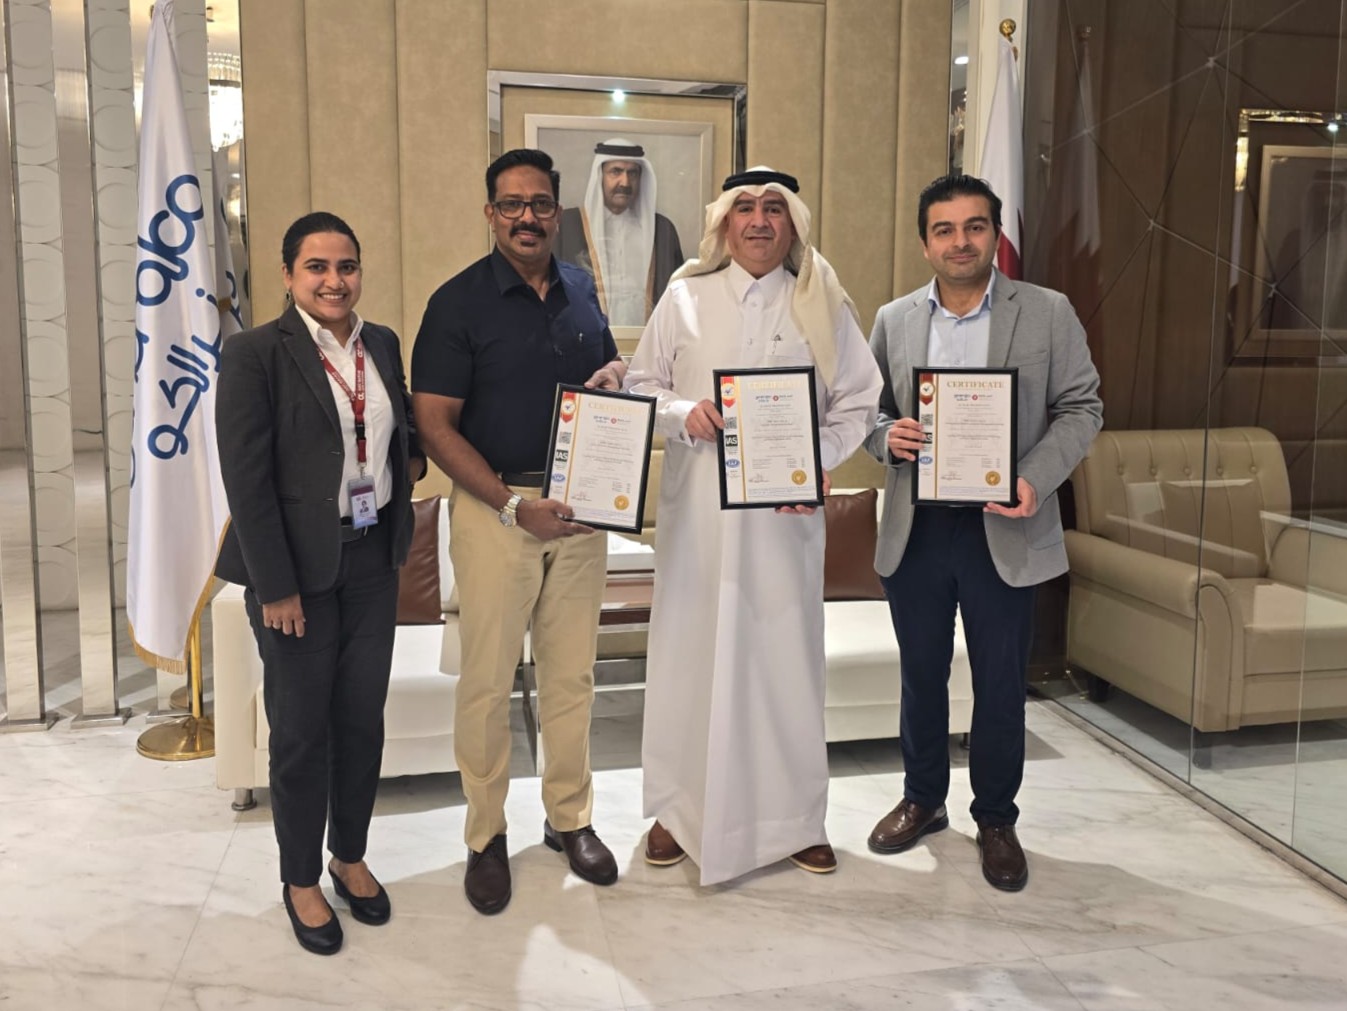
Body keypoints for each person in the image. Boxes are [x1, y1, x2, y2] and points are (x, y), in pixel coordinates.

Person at [627, 167, 882, 885]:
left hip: (783, 525)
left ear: (793, 223)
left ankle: (794, 821)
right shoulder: (684, 297)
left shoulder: (822, 301)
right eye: (745, 208)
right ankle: (676, 811)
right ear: (724, 223)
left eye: (774, 208)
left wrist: (815, 458)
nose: (760, 221)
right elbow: (642, 387)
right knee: (688, 658)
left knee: (783, 668)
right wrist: (685, 413)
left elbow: (858, 401)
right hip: (698, 527)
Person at [864, 175, 1103, 891]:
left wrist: (1033, 477)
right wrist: (886, 437)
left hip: (1006, 525)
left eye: (974, 226)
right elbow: (866, 412)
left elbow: (1082, 407)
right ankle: (923, 798)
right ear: (925, 242)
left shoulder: (1047, 312)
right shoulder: (894, 319)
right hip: (917, 527)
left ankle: (996, 817)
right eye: (944, 229)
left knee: (1000, 682)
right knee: (921, 674)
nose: (960, 241)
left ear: (994, 235)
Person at [411, 149, 628, 915]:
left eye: (539, 203)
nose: (526, 217)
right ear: (490, 213)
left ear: (557, 211)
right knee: (487, 681)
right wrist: (510, 505)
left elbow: (606, 369)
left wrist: (615, 375)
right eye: (511, 204)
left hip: (579, 513)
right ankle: (484, 835)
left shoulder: (579, 288)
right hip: (496, 514)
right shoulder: (456, 304)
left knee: (570, 676)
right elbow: (434, 426)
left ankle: (569, 818)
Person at [215, 211, 426, 954]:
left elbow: (398, 436)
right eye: (317, 266)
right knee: (301, 732)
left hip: (371, 563)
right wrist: (274, 585)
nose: (334, 281)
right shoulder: (253, 354)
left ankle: (349, 855)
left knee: (360, 722)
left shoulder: (382, 344)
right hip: (295, 576)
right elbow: (246, 480)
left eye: (346, 265)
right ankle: (301, 877)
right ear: (287, 275)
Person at [556, 138, 684, 325]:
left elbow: (678, 295)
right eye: (615, 171)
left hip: (649, 339)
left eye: (632, 173)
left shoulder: (663, 229)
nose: (625, 182)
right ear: (600, 175)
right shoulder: (566, 225)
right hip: (584, 339)